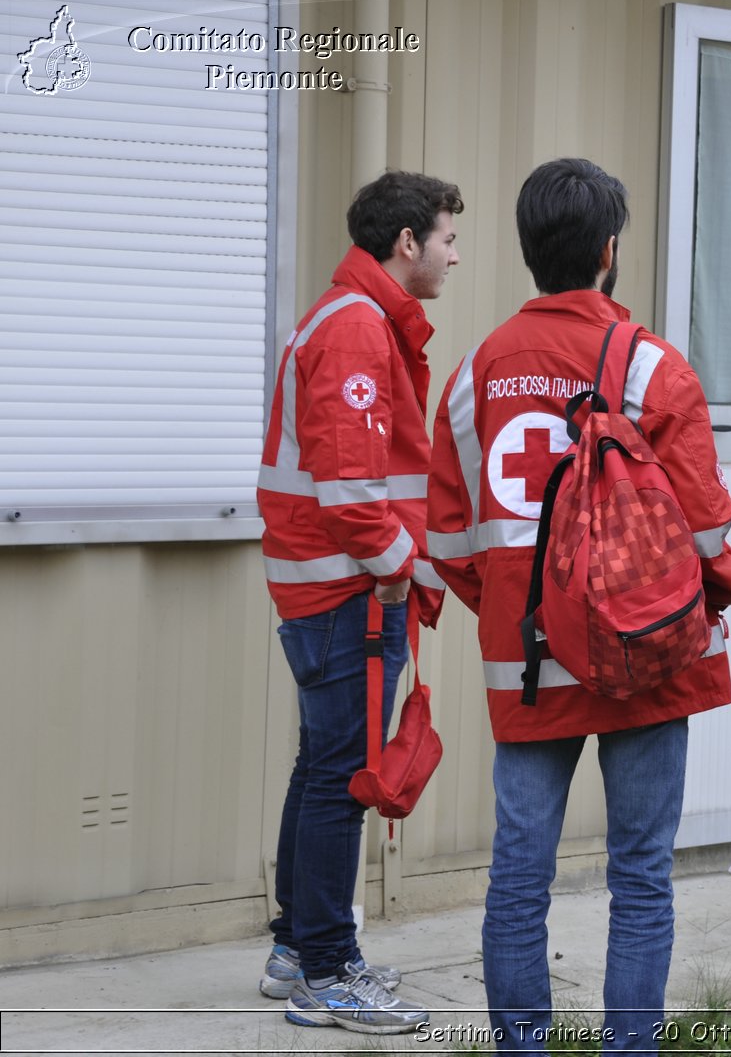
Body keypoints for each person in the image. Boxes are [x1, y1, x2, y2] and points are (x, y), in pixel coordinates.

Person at [426, 157, 731, 1055]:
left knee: (518, 879)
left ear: (529, 252)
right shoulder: (653, 369)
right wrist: (716, 593)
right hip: (646, 659)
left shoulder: (472, 374)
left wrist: (517, 605)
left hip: (526, 665)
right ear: (610, 251)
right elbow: (707, 534)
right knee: (641, 876)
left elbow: (447, 535)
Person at [255, 170, 462, 1033]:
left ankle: (298, 950)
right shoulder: (356, 329)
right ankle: (330, 976)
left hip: (331, 589)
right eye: (448, 237)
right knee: (345, 777)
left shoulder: (355, 318)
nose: (455, 255)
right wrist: (403, 567)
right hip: (347, 590)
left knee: (321, 768)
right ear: (406, 241)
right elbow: (351, 491)